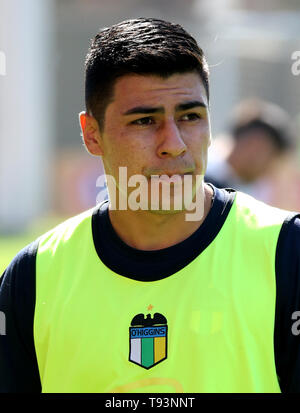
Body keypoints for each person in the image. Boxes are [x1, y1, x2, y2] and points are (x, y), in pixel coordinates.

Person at [0, 17, 300, 394]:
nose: (173, 143)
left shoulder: (287, 254)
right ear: (92, 134)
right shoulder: (35, 274)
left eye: (191, 117)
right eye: (145, 120)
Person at [205, 98, 295, 199]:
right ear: (254, 146)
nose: (270, 173)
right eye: (271, 162)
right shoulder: (204, 180)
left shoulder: (241, 187)